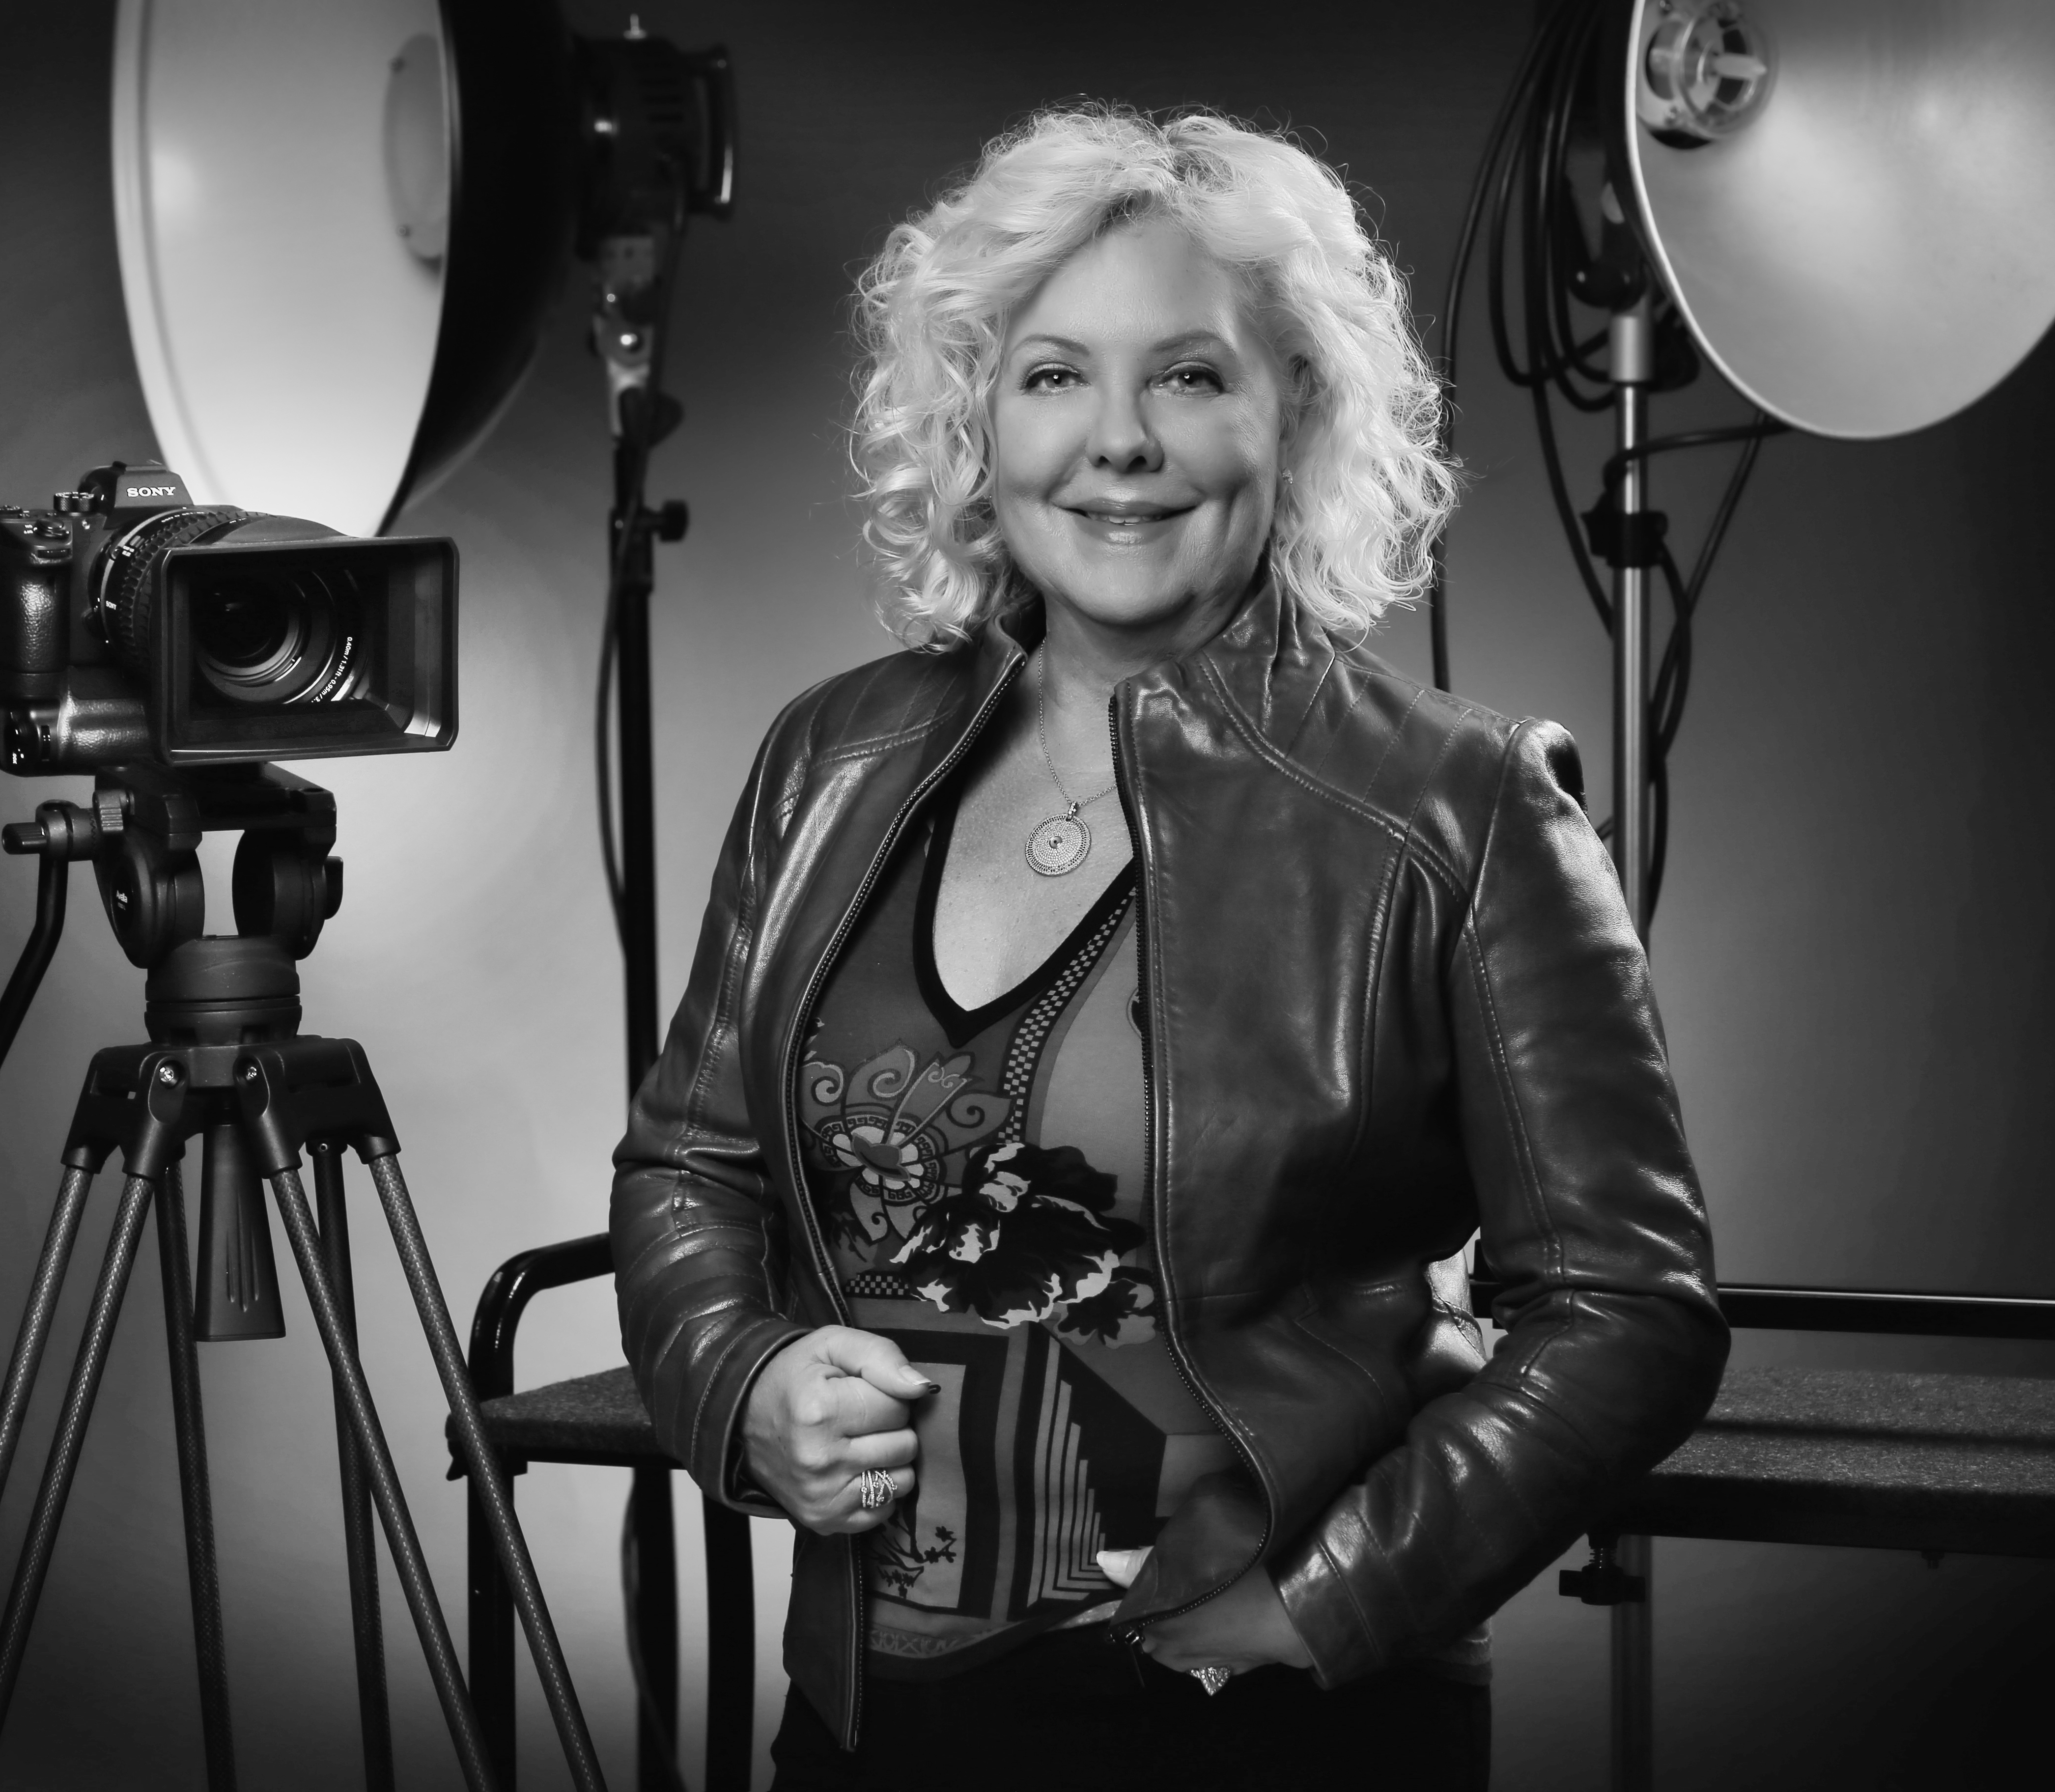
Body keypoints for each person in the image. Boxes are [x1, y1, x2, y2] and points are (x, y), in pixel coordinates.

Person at [610, 105, 1727, 1792]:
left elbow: (1627, 1306)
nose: (1117, 442)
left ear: (1301, 411)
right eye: (1055, 375)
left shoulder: (1461, 803)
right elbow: (690, 1163)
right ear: (976, 419)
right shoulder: (828, 759)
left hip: (1261, 1725)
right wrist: (741, 1380)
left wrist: (1319, 1609)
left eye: (1193, 377)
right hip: (869, 1717)